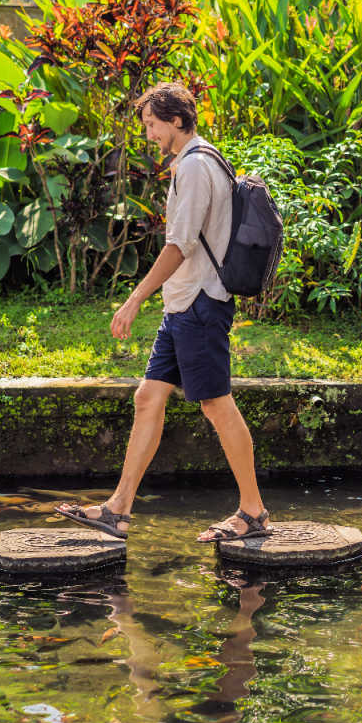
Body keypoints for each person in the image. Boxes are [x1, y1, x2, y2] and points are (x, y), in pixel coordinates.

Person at [56, 82, 272, 544]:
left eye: (152, 125)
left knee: (216, 404)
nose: (149, 134)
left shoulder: (195, 166)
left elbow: (181, 244)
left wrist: (134, 299)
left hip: (199, 303)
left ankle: (253, 511)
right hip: (183, 305)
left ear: (176, 120)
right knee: (148, 398)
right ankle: (117, 509)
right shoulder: (202, 159)